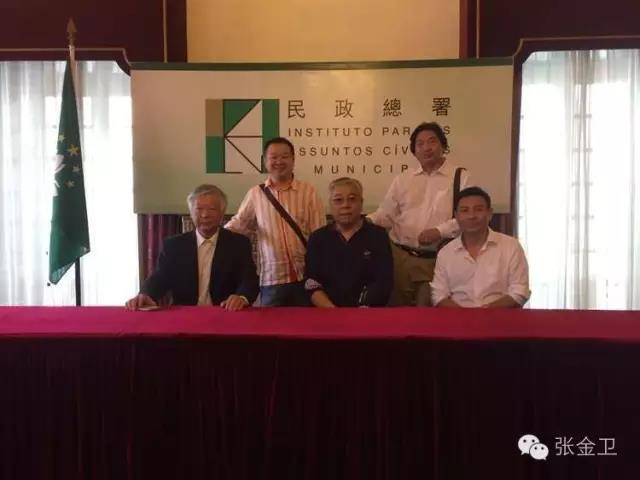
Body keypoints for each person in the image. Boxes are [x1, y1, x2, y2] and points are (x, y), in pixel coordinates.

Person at [369, 121, 471, 306]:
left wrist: (439, 231)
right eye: (420, 143)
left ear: (443, 145)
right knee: (397, 313)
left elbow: (468, 216)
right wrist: (364, 221)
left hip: (436, 259)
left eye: (432, 141)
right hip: (400, 257)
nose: (426, 148)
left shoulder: (461, 177)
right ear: (414, 150)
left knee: (429, 314)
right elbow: (386, 214)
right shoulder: (403, 179)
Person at [125, 184, 259, 311]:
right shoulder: (174, 246)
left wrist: (242, 297)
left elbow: (249, 280)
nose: (205, 215)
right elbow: (159, 277)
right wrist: (146, 294)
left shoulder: (238, 244)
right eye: (199, 209)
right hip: (185, 315)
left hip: (224, 313)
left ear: (222, 212)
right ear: (190, 212)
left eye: (211, 209)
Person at [225, 137, 325, 306]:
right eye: (273, 157)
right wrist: (213, 236)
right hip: (271, 280)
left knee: (307, 322)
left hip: (305, 278)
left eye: (285, 157)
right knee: (270, 323)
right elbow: (238, 226)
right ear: (265, 161)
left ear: (293, 160)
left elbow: (319, 235)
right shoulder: (256, 194)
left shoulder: (309, 192)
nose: (279, 162)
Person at [431, 186, 530, 308]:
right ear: (456, 216)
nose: (471, 216)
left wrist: (484, 313)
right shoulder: (446, 253)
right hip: (457, 317)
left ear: (489, 213)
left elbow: (520, 291)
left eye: (478, 209)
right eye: (465, 210)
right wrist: (464, 316)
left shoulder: (511, 246)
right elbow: (438, 295)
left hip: (499, 316)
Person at [304, 177, 393, 307]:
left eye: (352, 199)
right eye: (338, 200)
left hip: (367, 312)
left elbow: (383, 280)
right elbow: (311, 282)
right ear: (330, 205)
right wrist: (333, 311)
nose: (345, 205)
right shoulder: (318, 238)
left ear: (361, 203)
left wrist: (360, 311)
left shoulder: (378, 236)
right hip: (327, 312)